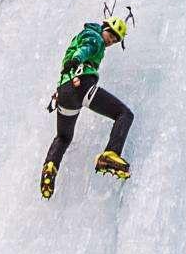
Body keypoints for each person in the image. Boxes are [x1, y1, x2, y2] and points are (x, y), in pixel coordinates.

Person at [42, 14, 135, 198]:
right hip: (81, 86)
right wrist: (77, 59)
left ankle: (49, 168)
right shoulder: (95, 37)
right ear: (105, 27)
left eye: (116, 40)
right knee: (124, 114)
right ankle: (111, 153)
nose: (112, 41)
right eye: (112, 35)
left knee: (63, 137)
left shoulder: (87, 35)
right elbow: (86, 48)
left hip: (65, 92)